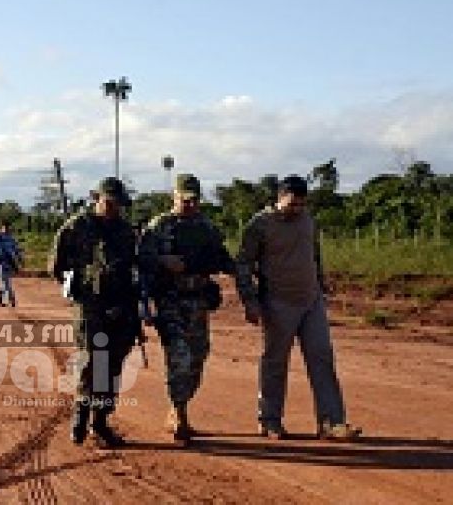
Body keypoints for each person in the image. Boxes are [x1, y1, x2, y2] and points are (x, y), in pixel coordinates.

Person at [236, 175, 361, 440]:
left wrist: (321, 286)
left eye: (302, 204)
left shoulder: (307, 220)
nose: (297, 209)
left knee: (322, 357)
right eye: (292, 204)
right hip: (278, 303)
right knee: (275, 362)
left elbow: (314, 255)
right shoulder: (259, 225)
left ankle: (331, 422)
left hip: (311, 301)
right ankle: (269, 420)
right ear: (279, 198)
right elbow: (243, 264)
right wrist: (250, 301)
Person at [138, 174, 234, 443]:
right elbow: (141, 263)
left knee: (198, 355)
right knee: (178, 355)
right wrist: (161, 261)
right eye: (184, 199)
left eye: (194, 200)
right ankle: (178, 412)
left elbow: (223, 258)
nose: (190, 205)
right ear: (174, 196)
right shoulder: (159, 227)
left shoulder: (206, 227)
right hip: (170, 300)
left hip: (198, 301)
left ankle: (180, 405)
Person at [49, 177, 140, 447]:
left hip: (121, 305)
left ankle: (100, 422)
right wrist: (77, 288)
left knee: (113, 366)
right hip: (90, 306)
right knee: (91, 362)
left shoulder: (125, 231)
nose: (114, 209)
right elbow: (56, 266)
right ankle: (81, 415)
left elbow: (134, 267)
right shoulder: (76, 227)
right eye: (109, 203)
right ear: (96, 199)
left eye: (118, 204)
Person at [0, 221, 23, 307]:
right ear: (1, 228)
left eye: (8, 228)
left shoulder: (11, 238)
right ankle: (11, 299)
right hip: (0, 262)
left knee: (4, 281)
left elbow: (17, 250)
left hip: (10, 262)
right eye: (5, 227)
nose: (7, 229)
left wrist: (20, 260)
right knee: (6, 281)